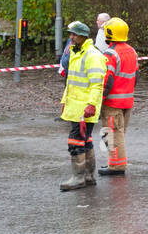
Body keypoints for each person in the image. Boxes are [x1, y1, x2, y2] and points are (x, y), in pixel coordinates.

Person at [59, 21, 105, 191]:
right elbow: (71, 82)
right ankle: (88, 176)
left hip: (84, 109)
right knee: (85, 141)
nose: (71, 37)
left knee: (76, 141)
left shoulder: (92, 56)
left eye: (74, 34)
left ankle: (79, 177)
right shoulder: (76, 53)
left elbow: (96, 85)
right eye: (70, 34)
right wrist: (64, 100)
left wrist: (91, 105)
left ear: (83, 36)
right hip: (76, 107)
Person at [97, 17, 137, 176]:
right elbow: (135, 76)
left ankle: (116, 166)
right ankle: (115, 163)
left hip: (113, 102)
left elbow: (107, 80)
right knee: (119, 132)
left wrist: (99, 100)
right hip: (127, 100)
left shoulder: (111, 54)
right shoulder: (132, 51)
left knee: (112, 133)